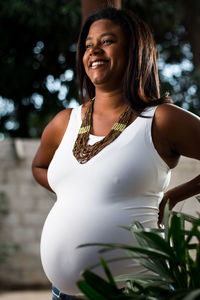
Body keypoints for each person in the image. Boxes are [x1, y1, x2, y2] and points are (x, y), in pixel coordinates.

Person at [32, 7, 200, 300]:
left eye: (107, 41)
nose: (94, 50)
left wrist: (171, 197)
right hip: (63, 294)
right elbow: (39, 166)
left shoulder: (160, 119)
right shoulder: (64, 121)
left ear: (135, 51)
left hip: (136, 292)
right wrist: (76, 190)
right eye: (87, 45)